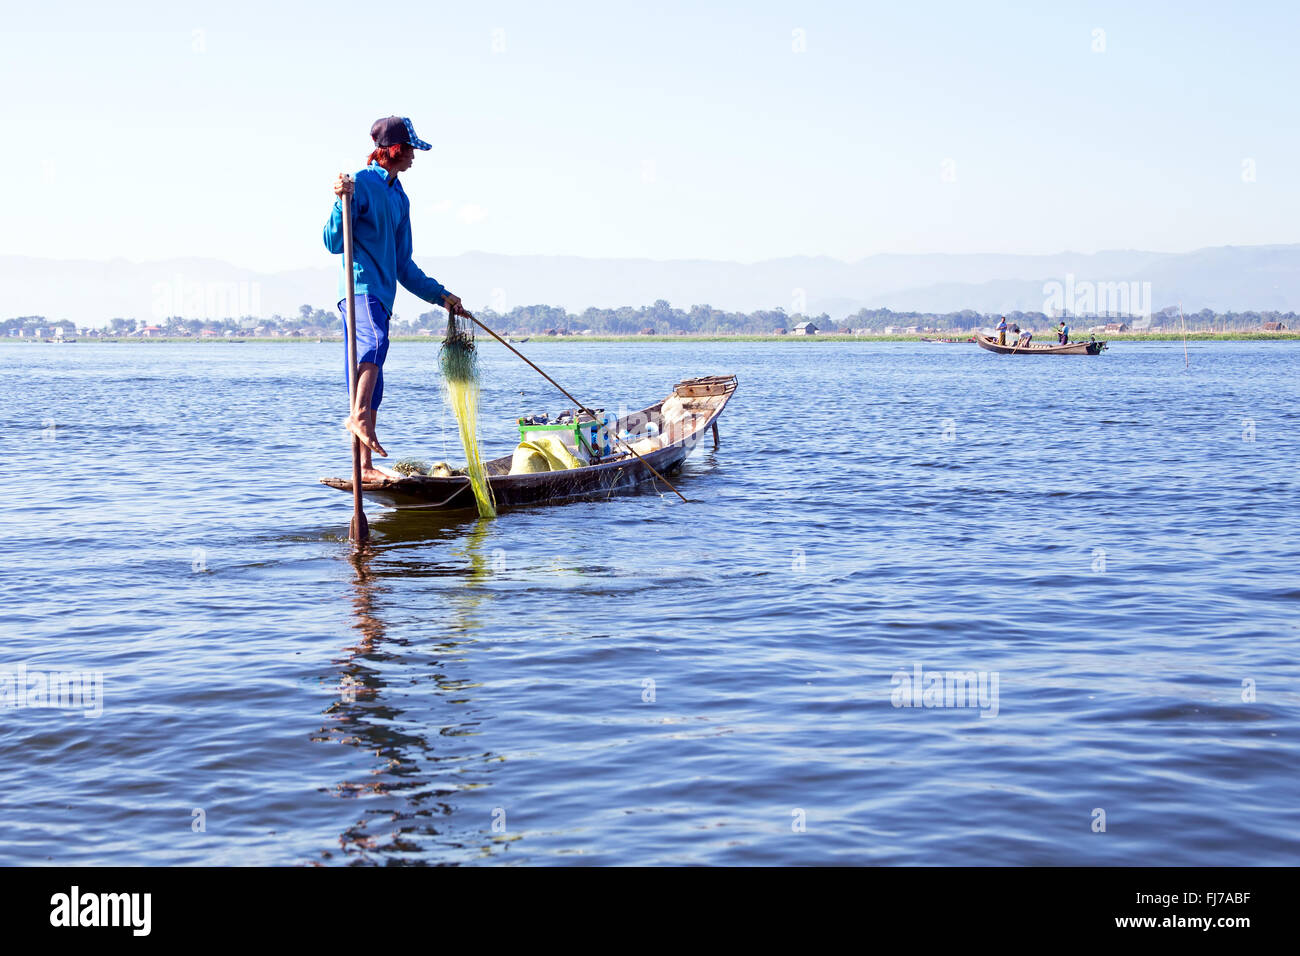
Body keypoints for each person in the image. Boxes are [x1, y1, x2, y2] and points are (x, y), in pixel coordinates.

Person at [323, 115, 472, 481]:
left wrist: (442, 296)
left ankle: (365, 467)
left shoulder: (399, 196)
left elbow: (404, 266)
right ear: (392, 150)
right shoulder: (359, 184)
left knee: (374, 382)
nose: (414, 157)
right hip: (359, 289)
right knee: (375, 342)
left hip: (383, 296)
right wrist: (342, 202)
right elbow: (332, 242)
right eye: (410, 150)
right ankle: (357, 417)